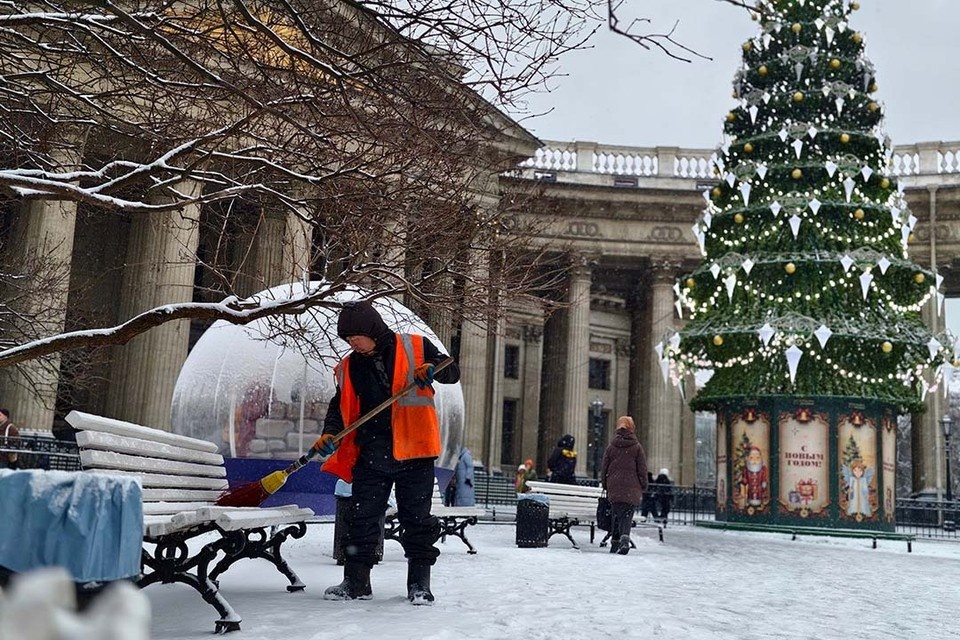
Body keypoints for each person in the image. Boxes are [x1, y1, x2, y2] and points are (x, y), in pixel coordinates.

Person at [314, 300, 460, 605]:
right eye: (348, 339)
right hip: (371, 453)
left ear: (372, 330)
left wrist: (431, 368)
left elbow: (452, 371)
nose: (352, 343)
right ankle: (356, 582)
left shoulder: (416, 346)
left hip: (415, 451)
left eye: (356, 337)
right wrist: (330, 432)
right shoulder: (349, 365)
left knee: (417, 520)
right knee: (361, 518)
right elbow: (339, 406)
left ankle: (419, 584)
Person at [600, 416, 648, 555]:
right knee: (627, 514)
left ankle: (615, 543)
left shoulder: (611, 447)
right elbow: (642, 469)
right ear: (632, 428)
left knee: (616, 514)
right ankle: (624, 540)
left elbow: (605, 468)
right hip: (631, 487)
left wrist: (605, 484)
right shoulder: (637, 447)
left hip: (614, 486)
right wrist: (643, 484)